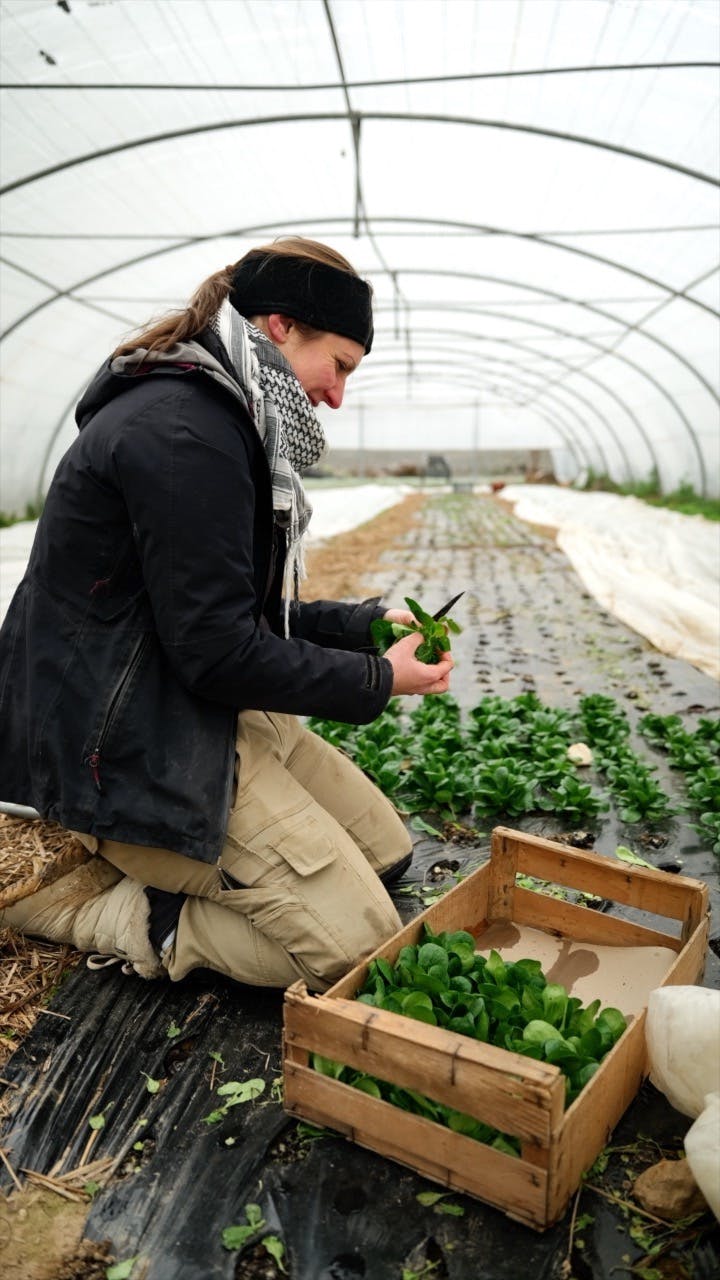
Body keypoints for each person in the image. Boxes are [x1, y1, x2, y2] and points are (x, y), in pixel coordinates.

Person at [0, 237, 453, 992]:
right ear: (281, 326)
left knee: (388, 855)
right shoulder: (185, 431)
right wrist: (378, 679)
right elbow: (217, 651)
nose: (337, 395)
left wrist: (365, 628)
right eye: (339, 365)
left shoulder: (229, 418)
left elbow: (230, 610)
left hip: (177, 700)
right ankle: (114, 912)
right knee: (356, 950)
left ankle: (215, 872)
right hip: (120, 742)